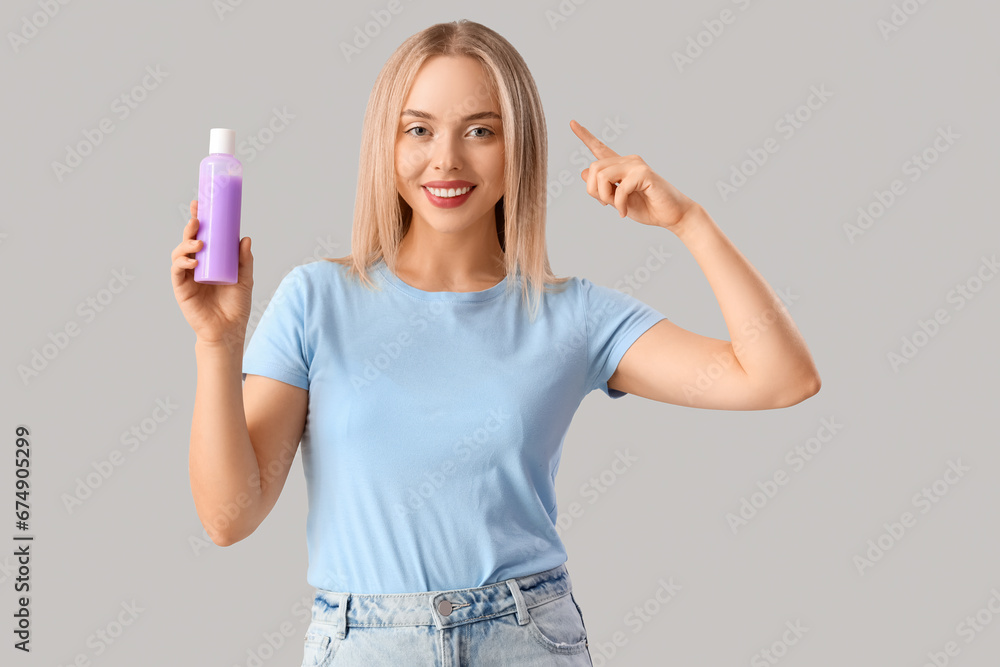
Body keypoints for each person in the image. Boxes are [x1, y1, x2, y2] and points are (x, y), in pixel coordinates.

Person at [170, 19, 820, 667]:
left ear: (520, 148)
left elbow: (778, 377)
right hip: (366, 644)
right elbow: (230, 517)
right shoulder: (317, 300)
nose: (446, 159)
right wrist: (218, 343)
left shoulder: (572, 315)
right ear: (386, 144)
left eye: (480, 130)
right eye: (418, 129)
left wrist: (689, 222)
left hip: (526, 640)